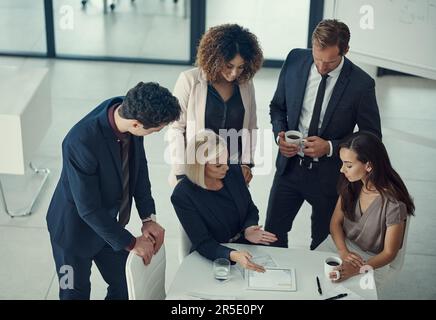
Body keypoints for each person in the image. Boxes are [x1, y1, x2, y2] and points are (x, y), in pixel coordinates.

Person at [46, 82, 181, 300]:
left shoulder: (126, 109)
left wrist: (148, 217)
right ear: (137, 125)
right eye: (156, 130)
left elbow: (139, 169)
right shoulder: (80, 142)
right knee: (72, 294)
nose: (157, 133)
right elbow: (88, 209)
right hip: (70, 236)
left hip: (109, 228)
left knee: (127, 287)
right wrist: (132, 242)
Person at [265, 19, 382, 250]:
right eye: (317, 59)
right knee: (272, 236)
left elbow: (371, 136)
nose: (321, 67)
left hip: (330, 177)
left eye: (329, 62)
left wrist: (330, 146)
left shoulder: (361, 84)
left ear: (345, 51)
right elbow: (277, 106)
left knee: (322, 244)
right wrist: (280, 135)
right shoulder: (295, 59)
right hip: (289, 168)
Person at [168, 23, 263, 186]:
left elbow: (251, 128)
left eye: (241, 67)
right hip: (197, 171)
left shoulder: (246, 84)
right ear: (215, 58)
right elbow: (176, 128)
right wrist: (181, 174)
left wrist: (247, 163)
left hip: (232, 169)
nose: (234, 73)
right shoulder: (189, 80)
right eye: (229, 66)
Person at [171, 130, 277, 272]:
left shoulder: (233, 172)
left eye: (226, 161)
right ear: (199, 166)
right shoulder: (183, 195)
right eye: (218, 165)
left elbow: (250, 208)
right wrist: (232, 255)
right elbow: (203, 243)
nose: (226, 167)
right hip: (213, 255)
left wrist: (249, 228)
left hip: (245, 246)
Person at [318, 131, 415, 287]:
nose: (342, 170)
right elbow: (335, 223)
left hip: (373, 260)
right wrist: (343, 252)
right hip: (341, 244)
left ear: (369, 165)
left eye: (348, 165)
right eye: (342, 163)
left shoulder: (394, 204)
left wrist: (357, 269)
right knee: (311, 275)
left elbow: (390, 253)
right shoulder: (351, 183)